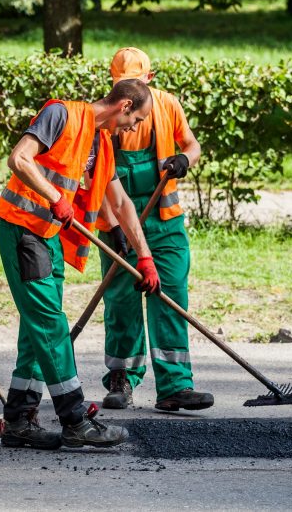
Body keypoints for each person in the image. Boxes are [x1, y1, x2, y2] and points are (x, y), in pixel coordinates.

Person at [0, 79, 161, 450]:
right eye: (137, 119)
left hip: (47, 237)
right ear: (125, 105)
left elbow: (122, 205)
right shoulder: (61, 115)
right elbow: (18, 158)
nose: (133, 128)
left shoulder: (100, 143)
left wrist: (144, 256)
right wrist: (55, 197)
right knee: (51, 325)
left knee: (35, 330)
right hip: (23, 231)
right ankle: (74, 419)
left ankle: (20, 419)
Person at [96, 47, 213, 412]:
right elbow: (93, 178)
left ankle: (175, 385)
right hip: (119, 225)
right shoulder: (102, 116)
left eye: (135, 85)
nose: (129, 98)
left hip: (164, 223)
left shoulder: (167, 106)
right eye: (122, 87)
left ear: (149, 80)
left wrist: (184, 160)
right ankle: (122, 380)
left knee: (171, 294)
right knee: (121, 300)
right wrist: (114, 227)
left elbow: (192, 146)